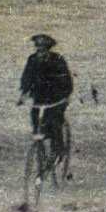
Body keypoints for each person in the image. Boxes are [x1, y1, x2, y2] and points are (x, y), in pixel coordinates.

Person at [18, 33, 74, 161]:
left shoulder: (58, 59)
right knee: (35, 116)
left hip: (56, 98)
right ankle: (40, 142)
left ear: (48, 48)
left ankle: (58, 150)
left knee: (55, 122)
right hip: (39, 97)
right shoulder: (32, 59)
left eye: (43, 48)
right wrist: (23, 94)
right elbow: (26, 78)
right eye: (37, 47)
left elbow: (66, 80)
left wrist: (65, 97)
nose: (39, 50)